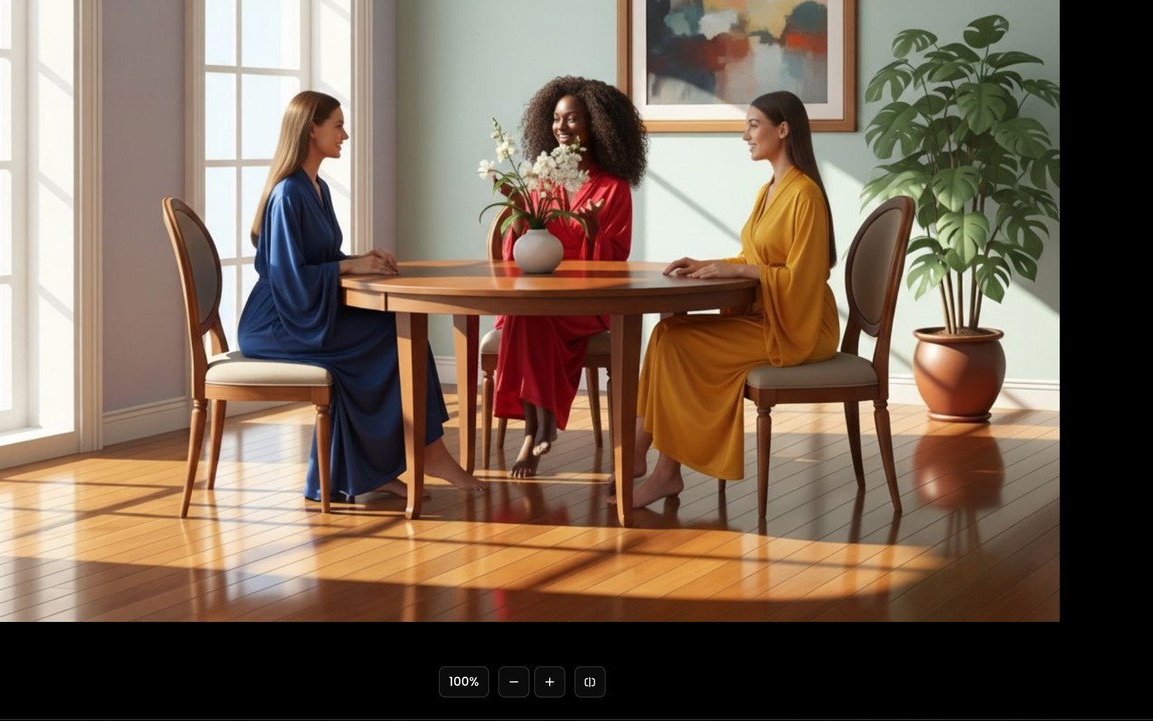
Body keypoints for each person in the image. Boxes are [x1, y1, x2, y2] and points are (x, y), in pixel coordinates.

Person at [237, 90, 485, 503]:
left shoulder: (317, 189)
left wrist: (359, 259)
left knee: (401, 333)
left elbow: (319, 259)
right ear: (311, 129)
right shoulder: (287, 195)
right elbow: (288, 278)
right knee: (392, 338)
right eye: (337, 125)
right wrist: (348, 267)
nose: (345, 135)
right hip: (275, 324)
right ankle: (427, 455)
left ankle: (377, 471)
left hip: (300, 312)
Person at [621, 90, 840, 508]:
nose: (745, 135)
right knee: (666, 333)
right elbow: (755, 258)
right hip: (771, 316)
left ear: (783, 129)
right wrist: (707, 263)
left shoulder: (805, 194)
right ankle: (638, 453)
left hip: (803, 326)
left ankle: (663, 473)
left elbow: (805, 277)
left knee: (680, 342)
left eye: (753, 124)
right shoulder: (770, 189)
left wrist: (738, 270)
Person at [492, 77, 646, 477]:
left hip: (590, 302)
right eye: (557, 119)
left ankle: (535, 429)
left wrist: (593, 230)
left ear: (596, 125)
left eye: (573, 119)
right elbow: (515, 253)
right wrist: (517, 215)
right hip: (540, 296)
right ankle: (537, 426)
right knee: (527, 315)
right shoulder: (540, 181)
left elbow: (616, 263)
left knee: (531, 318)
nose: (562, 127)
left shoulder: (613, 189)